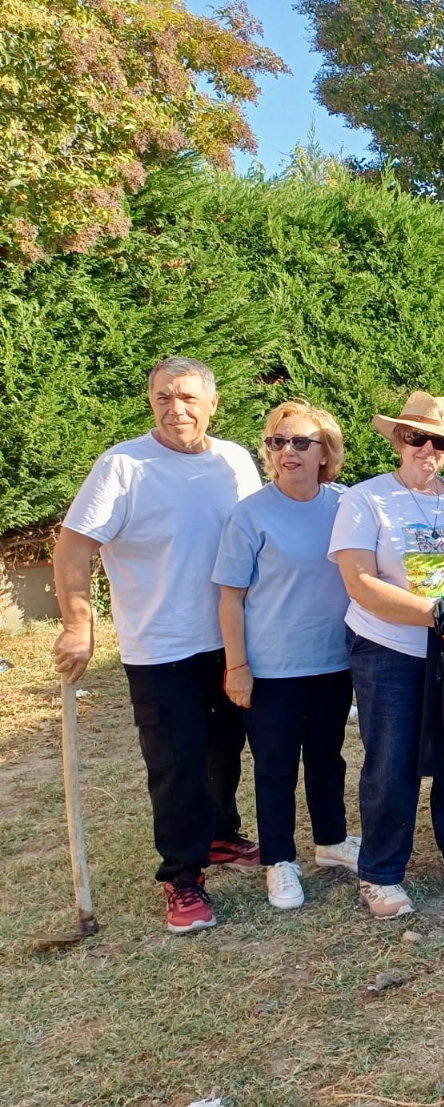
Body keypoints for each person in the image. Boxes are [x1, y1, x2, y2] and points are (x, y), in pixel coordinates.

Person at [52, 356, 263, 933]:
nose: (177, 409)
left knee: (226, 748)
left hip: (231, 640)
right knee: (175, 763)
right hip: (160, 645)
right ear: (151, 403)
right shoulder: (123, 466)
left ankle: (220, 836)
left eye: (190, 397)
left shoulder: (236, 461)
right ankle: (182, 876)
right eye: (164, 397)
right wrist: (78, 623)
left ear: (212, 403)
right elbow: (73, 548)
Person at [329, 392, 444, 919]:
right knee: (392, 762)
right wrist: (436, 616)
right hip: (392, 649)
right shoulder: (364, 500)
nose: (428, 448)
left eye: (440, 441)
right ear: (398, 440)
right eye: (416, 437)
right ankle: (381, 874)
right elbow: (359, 581)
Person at [214, 400, 361, 910]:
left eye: (301, 442)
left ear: (327, 452)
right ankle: (279, 862)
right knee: (275, 766)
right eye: (278, 442)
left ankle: (332, 842)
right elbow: (230, 596)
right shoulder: (250, 514)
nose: (288, 452)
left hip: (332, 662)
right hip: (272, 667)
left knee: (327, 758)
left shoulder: (347, 506)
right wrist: (237, 666)